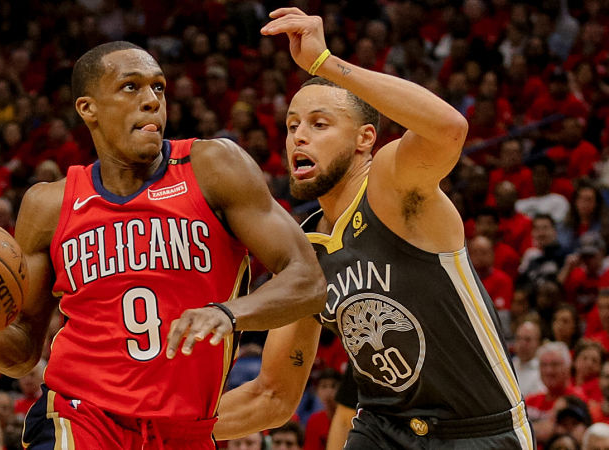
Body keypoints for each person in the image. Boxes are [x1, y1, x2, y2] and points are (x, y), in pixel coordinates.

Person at [0, 40, 326, 450]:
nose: (151, 99)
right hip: (81, 416)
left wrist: (229, 313)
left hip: (185, 430)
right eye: (130, 86)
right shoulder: (49, 204)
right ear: (88, 109)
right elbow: (23, 349)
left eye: (158, 87)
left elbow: (308, 280)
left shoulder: (212, 166)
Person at [214, 7, 533, 449]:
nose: (298, 138)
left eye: (319, 124)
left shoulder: (391, 185)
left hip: (476, 431)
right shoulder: (303, 252)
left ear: (365, 138)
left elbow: (448, 128)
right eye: (291, 126)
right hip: (383, 429)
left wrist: (326, 64)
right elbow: (271, 396)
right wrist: (153, 429)